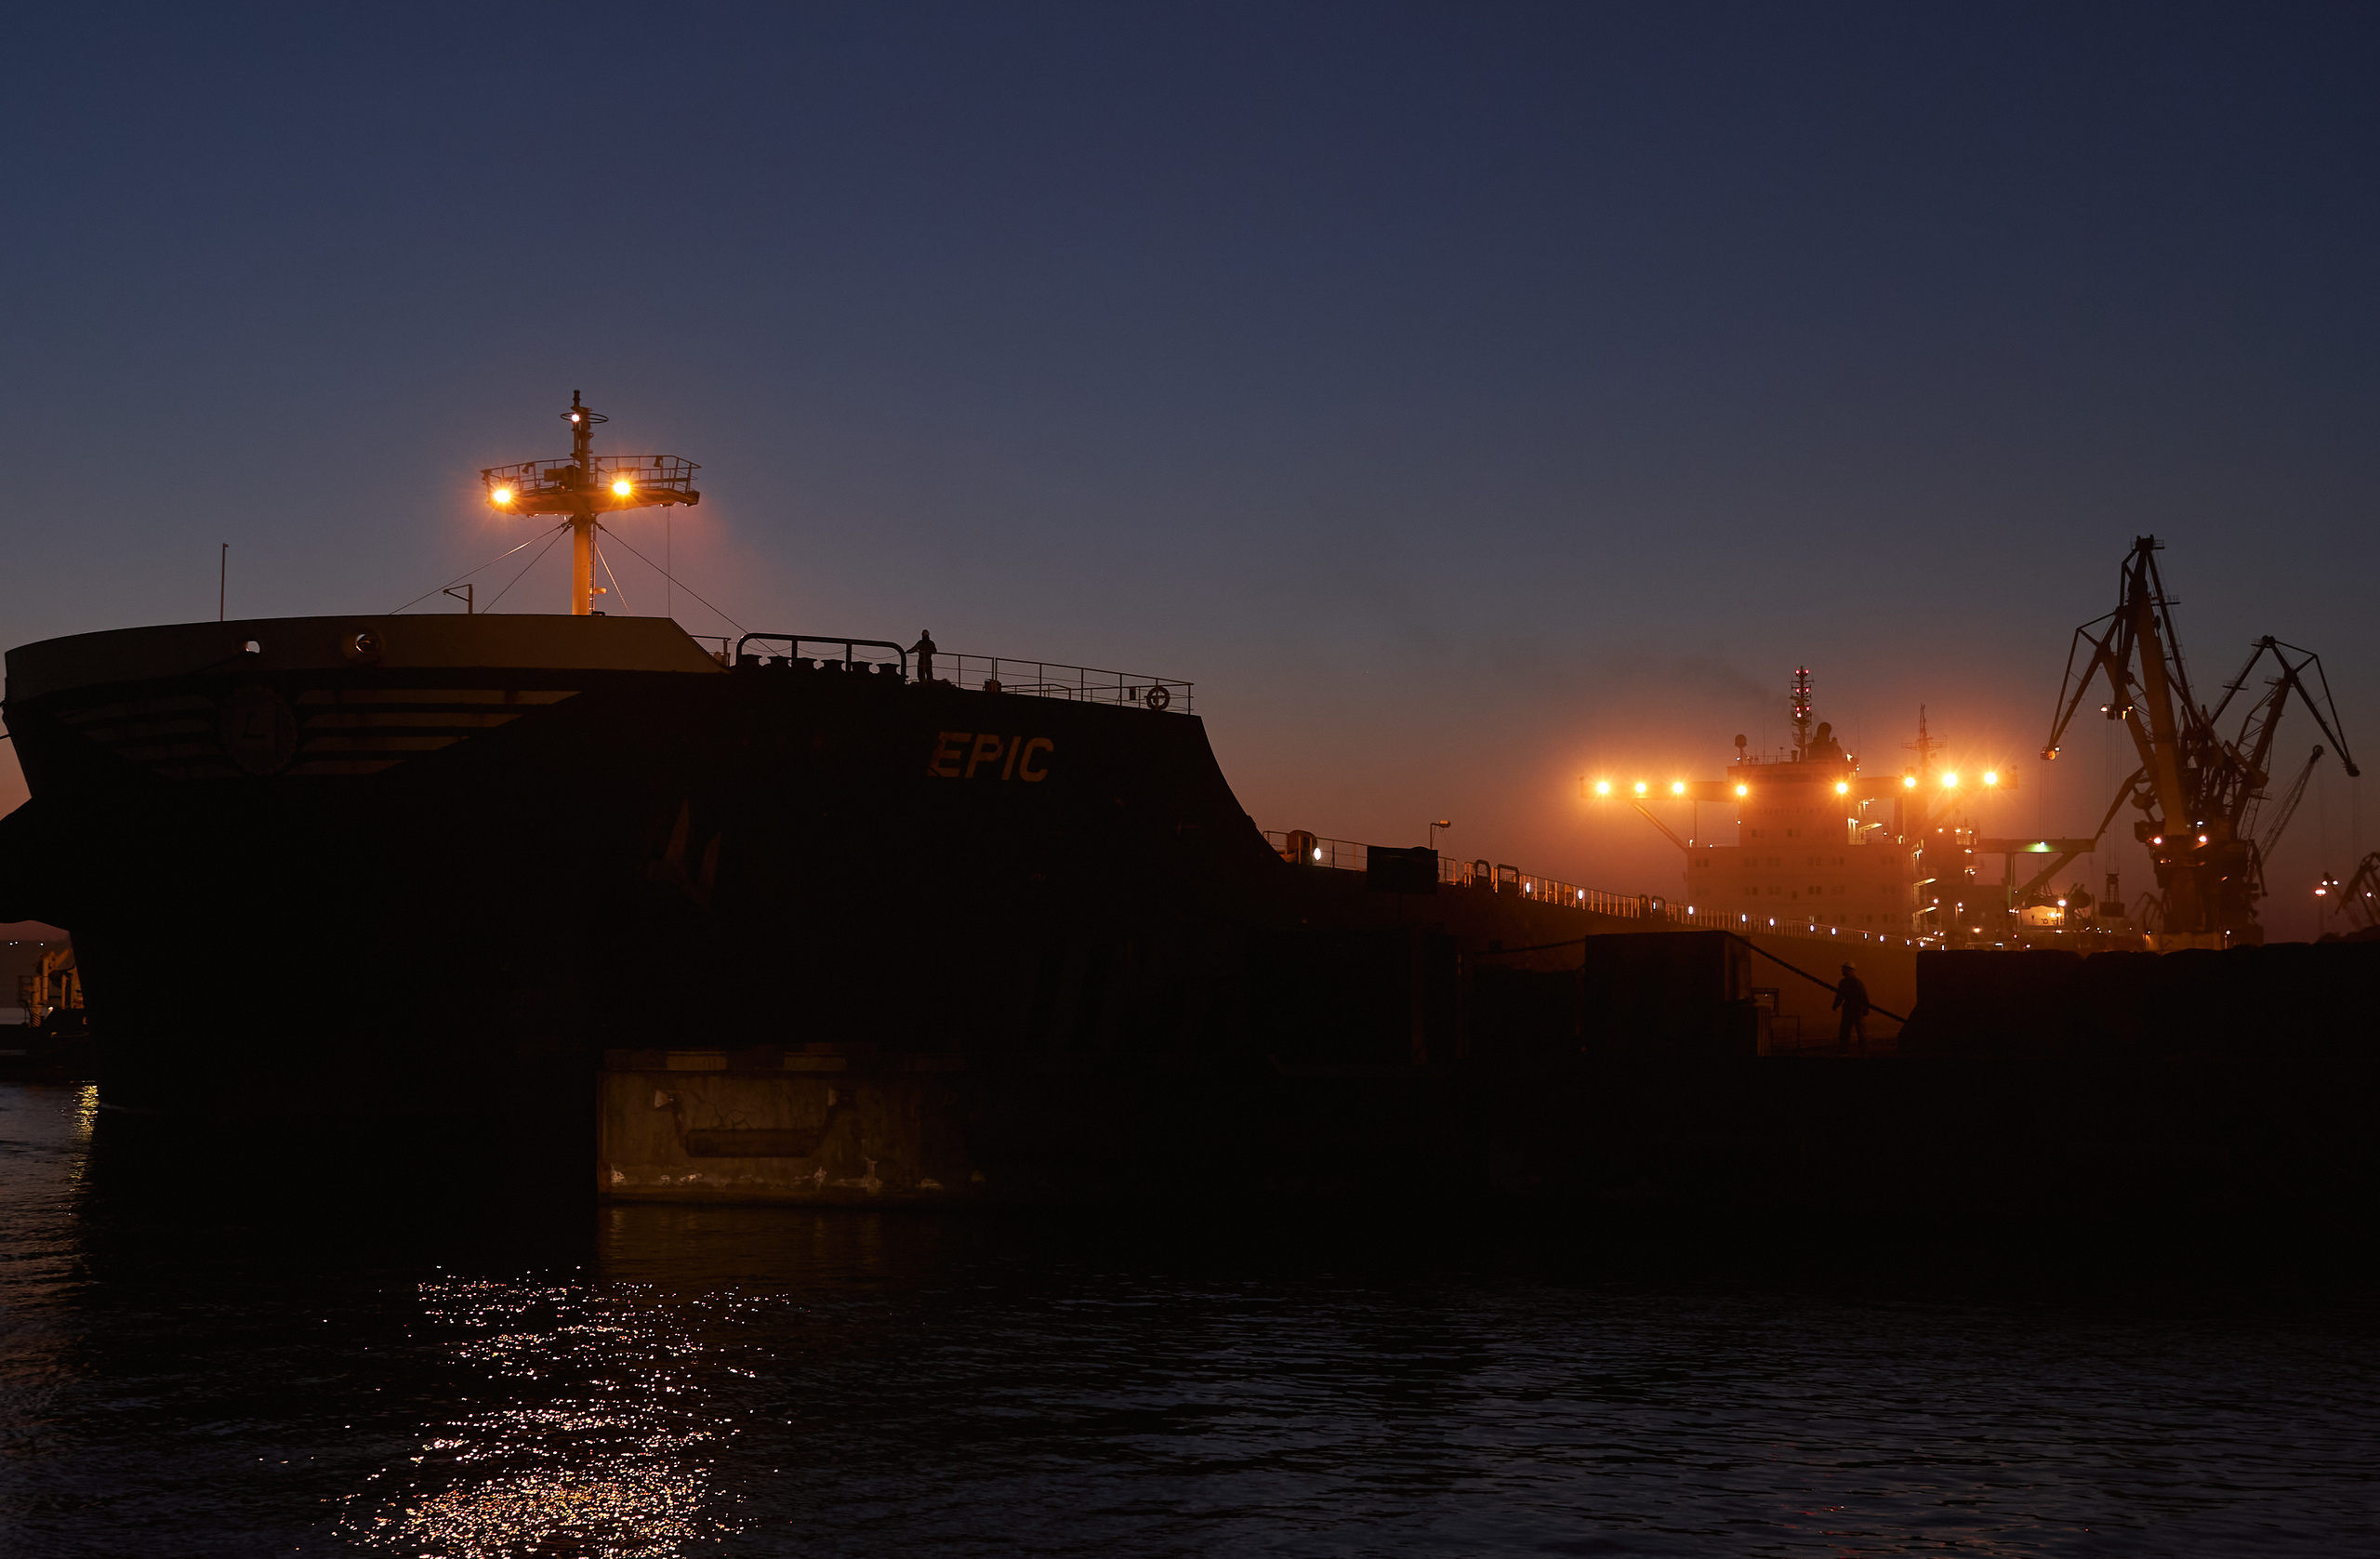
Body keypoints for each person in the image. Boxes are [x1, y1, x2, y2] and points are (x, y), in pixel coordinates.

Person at [1832, 962, 1871, 1054]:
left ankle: (1864, 1049)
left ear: (1850, 970)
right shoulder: (1843, 982)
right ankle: (1844, 1048)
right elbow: (1839, 996)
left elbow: (1864, 996)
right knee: (1845, 1030)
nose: (1842, 971)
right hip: (1850, 1008)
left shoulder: (1856, 983)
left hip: (1856, 1009)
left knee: (1860, 1031)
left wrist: (1865, 1008)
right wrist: (1836, 1004)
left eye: (1844, 969)